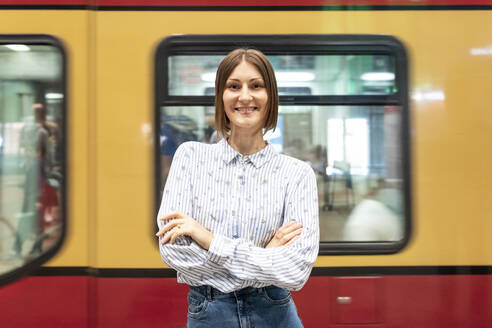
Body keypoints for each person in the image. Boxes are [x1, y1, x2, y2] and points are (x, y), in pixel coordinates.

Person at [156, 48, 319, 328]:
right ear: (221, 96)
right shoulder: (190, 158)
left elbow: (296, 271)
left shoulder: (297, 174)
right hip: (209, 314)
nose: (245, 96)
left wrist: (208, 239)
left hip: (276, 315)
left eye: (256, 86)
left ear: (271, 98)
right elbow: (175, 253)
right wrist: (268, 256)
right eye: (234, 86)